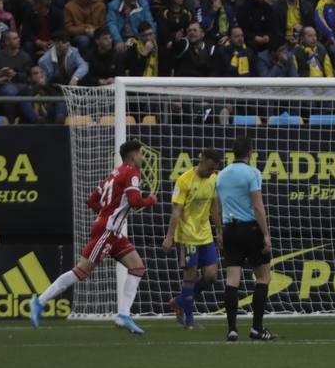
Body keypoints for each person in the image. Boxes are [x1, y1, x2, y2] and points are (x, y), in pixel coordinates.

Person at [30, 141, 157, 334]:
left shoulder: (114, 174)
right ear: (132, 157)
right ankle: (39, 301)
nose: (142, 158)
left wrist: (104, 213)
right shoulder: (131, 172)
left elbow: (91, 200)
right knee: (81, 271)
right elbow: (134, 201)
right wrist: (150, 200)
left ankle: (123, 315)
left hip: (112, 231)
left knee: (137, 267)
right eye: (140, 154)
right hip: (107, 231)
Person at [215, 135, 275, 342]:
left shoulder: (221, 175)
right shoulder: (253, 173)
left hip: (229, 230)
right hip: (250, 229)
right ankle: (257, 328)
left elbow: (217, 206)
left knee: (232, 281)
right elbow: (258, 206)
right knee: (263, 277)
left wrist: (220, 231)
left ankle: (232, 329)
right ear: (250, 152)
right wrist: (266, 234)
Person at [161, 148, 224, 330]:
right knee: (190, 277)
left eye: (214, 169)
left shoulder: (213, 179)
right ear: (201, 160)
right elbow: (176, 211)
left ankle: (179, 301)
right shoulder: (184, 180)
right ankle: (189, 320)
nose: (211, 172)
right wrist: (169, 237)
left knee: (211, 276)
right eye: (209, 168)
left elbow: (214, 209)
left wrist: (219, 232)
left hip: (205, 236)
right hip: (187, 237)